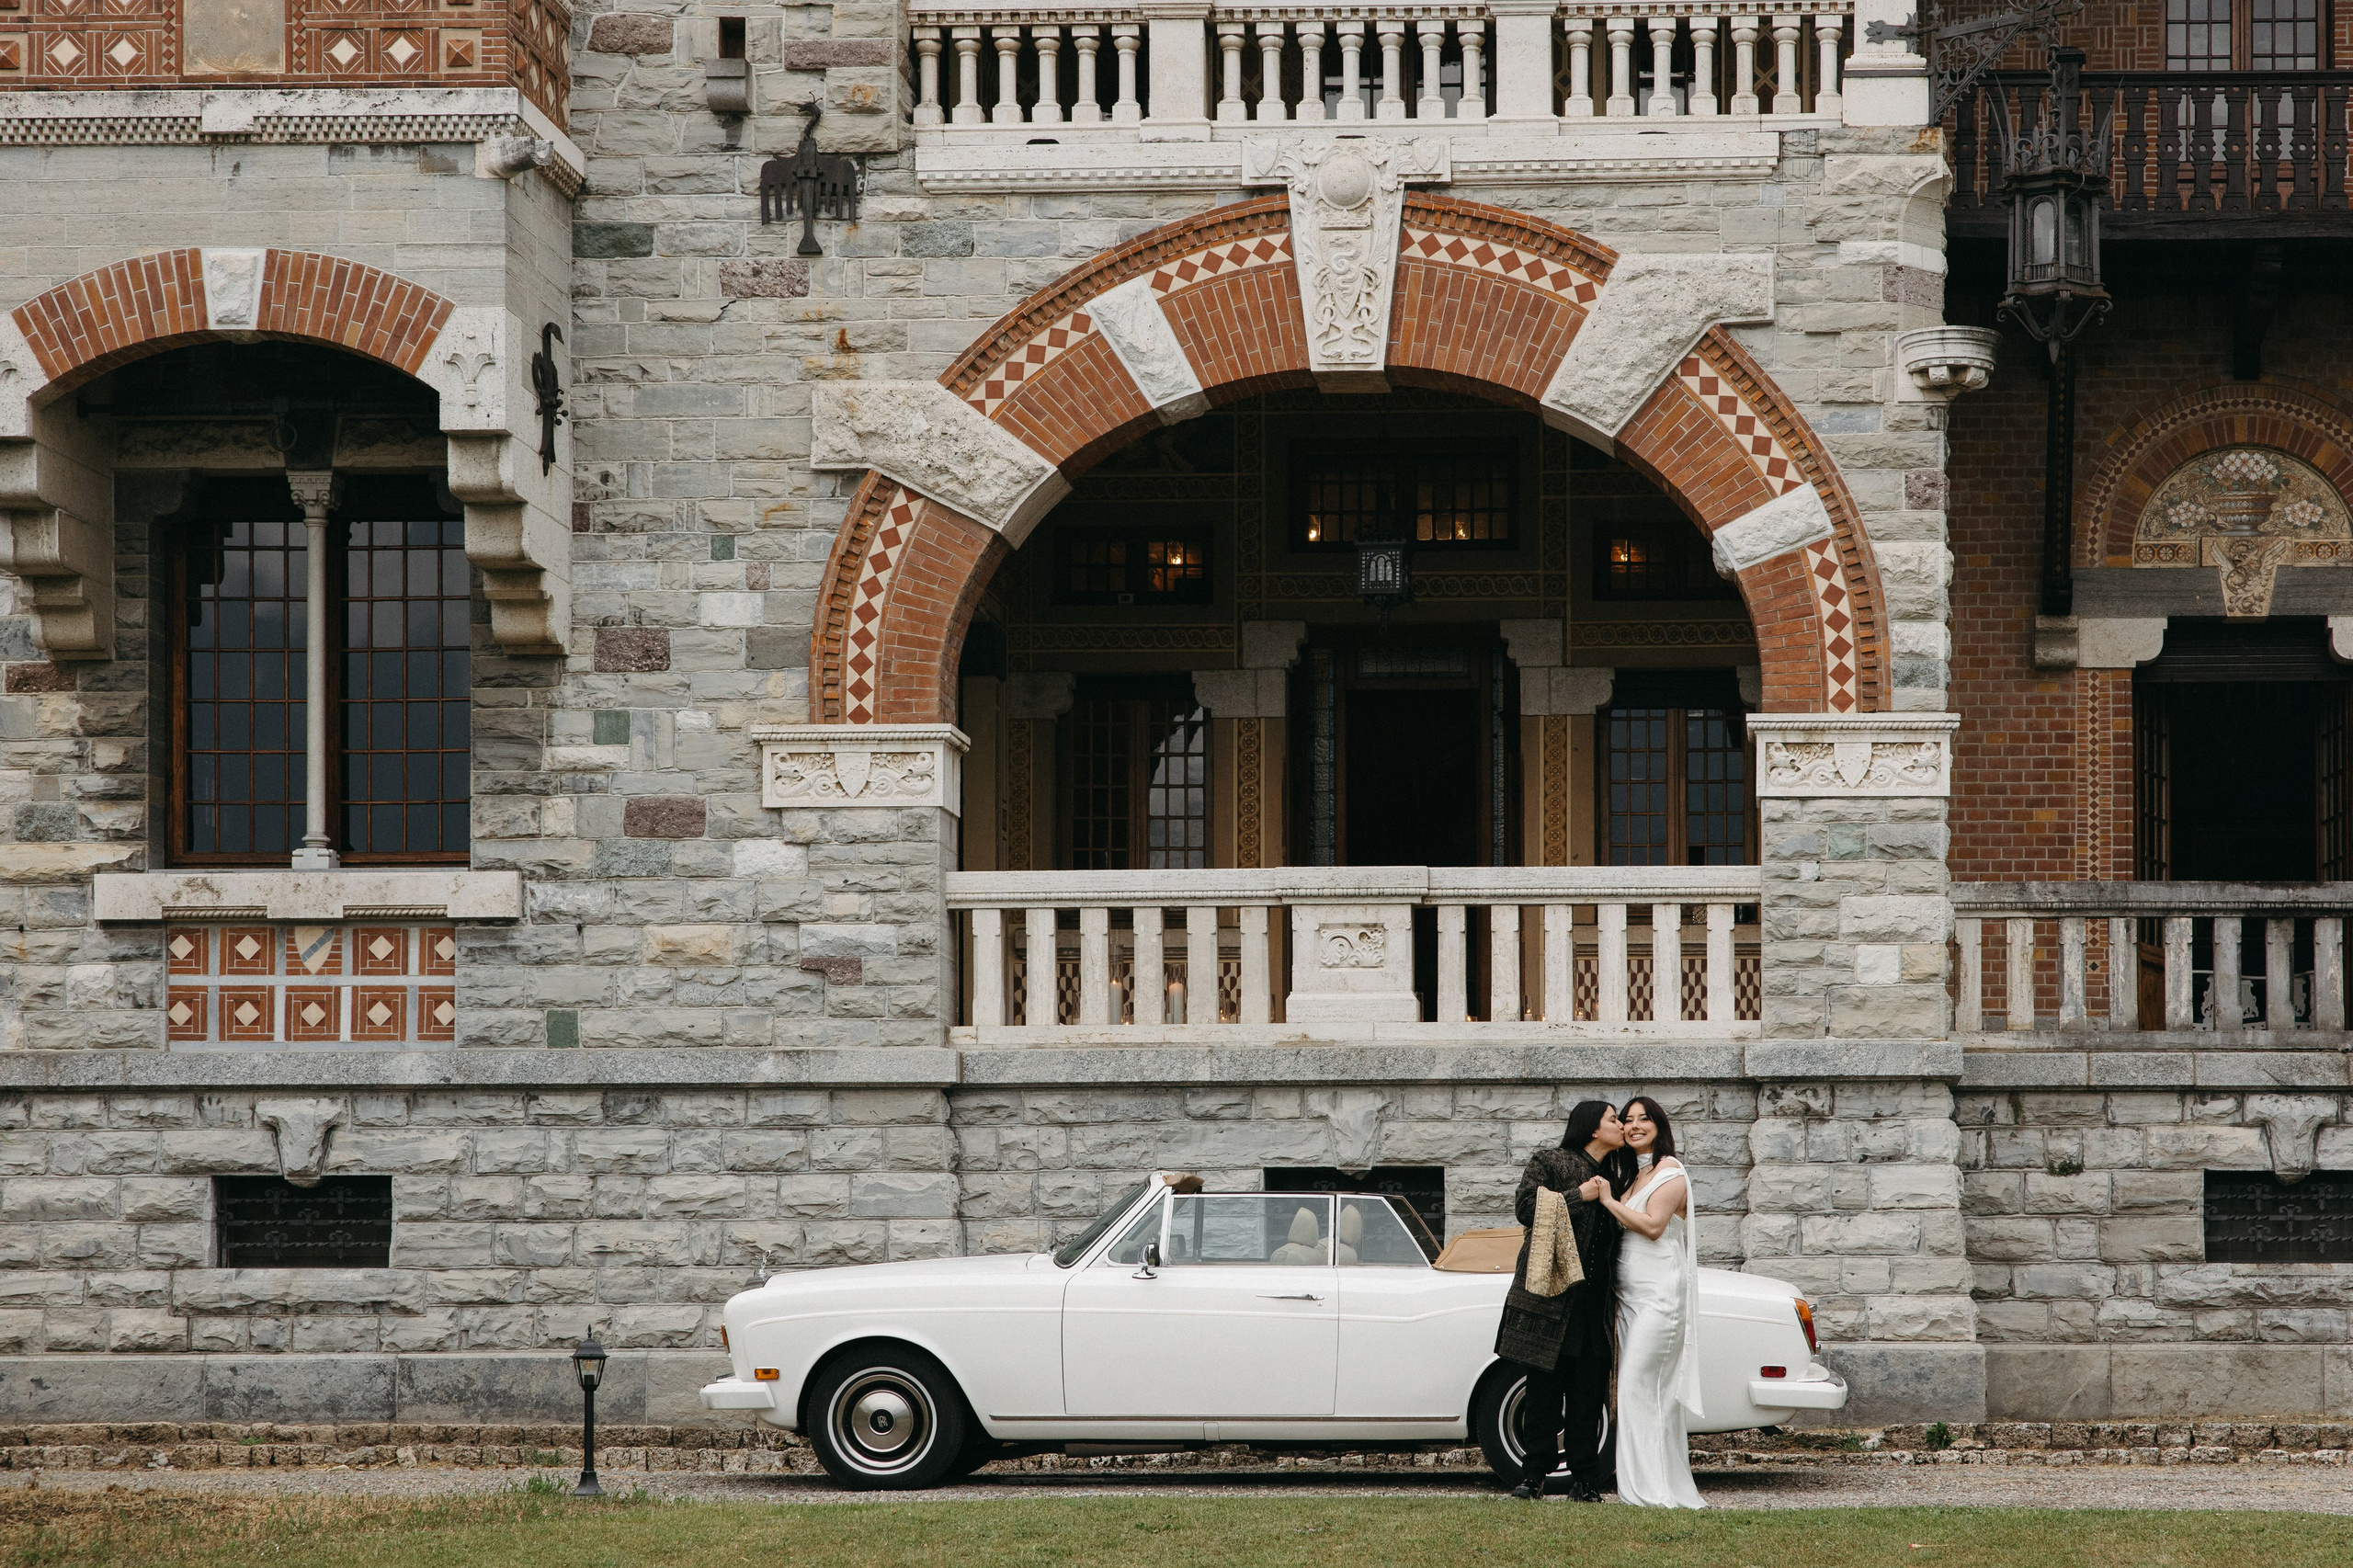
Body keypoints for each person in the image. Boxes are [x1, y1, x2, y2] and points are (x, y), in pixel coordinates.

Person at [1497, 1099, 1630, 1501]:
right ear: (1592, 1127)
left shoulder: (1619, 1177)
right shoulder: (1551, 1162)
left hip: (1595, 1305)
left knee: (1589, 1398)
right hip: (1552, 1301)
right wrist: (1579, 1195)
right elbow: (1524, 1208)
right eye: (1614, 1119)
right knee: (1543, 1394)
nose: (1622, 1125)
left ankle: (1585, 1481)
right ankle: (1533, 1477)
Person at [1581, 1095, 1707, 1509]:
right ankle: (1649, 1486)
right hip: (1631, 1300)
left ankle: (1652, 1492)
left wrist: (1608, 1201)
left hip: (1660, 1298)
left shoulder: (1670, 1171)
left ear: (1659, 1125)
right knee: (1641, 1393)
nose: (1634, 1126)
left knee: (1641, 1386)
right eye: (1627, 1119)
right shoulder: (1636, 1175)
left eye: (1643, 1119)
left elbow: (1653, 1227)